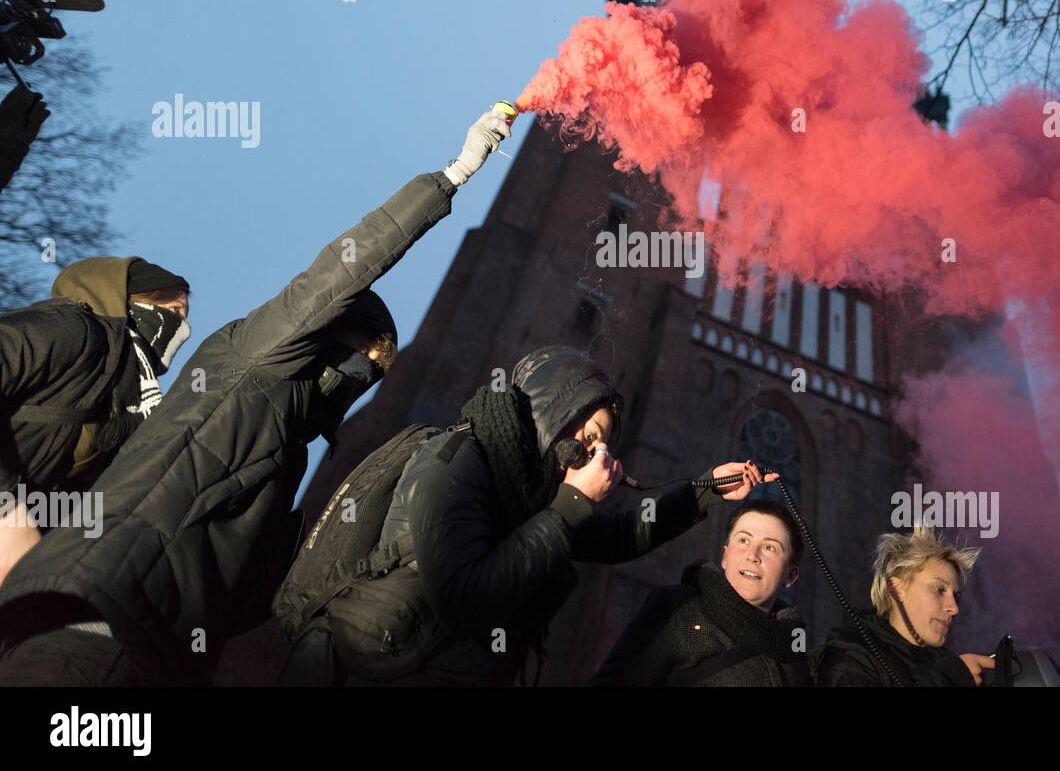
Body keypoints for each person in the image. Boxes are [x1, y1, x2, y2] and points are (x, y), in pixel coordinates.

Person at [0, 106, 509, 684]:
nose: (357, 379)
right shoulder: (254, 362)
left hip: (157, 657)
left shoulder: (291, 451)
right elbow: (337, 274)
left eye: (372, 374)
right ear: (324, 334)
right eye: (356, 357)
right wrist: (451, 177)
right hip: (96, 627)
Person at [316, 344, 776, 686]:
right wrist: (572, 503)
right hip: (395, 670)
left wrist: (703, 492)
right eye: (590, 434)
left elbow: (618, 537)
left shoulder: (528, 489)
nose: (593, 452)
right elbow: (462, 601)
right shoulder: (455, 461)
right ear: (552, 410)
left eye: (601, 444)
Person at [0, 257, 192, 585]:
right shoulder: (75, 332)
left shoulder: (122, 408)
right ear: (129, 301)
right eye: (174, 313)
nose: (183, 332)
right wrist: (8, 512)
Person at [592, 500, 810, 686]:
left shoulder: (794, 651)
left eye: (770, 548)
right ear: (724, 557)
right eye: (743, 540)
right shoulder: (678, 610)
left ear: (790, 576)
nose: (753, 555)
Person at [812, 525, 992, 686]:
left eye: (956, 596)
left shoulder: (946, 664)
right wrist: (949, 679)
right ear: (897, 589)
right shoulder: (848, 658)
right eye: (938, 590)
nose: (954, 608)